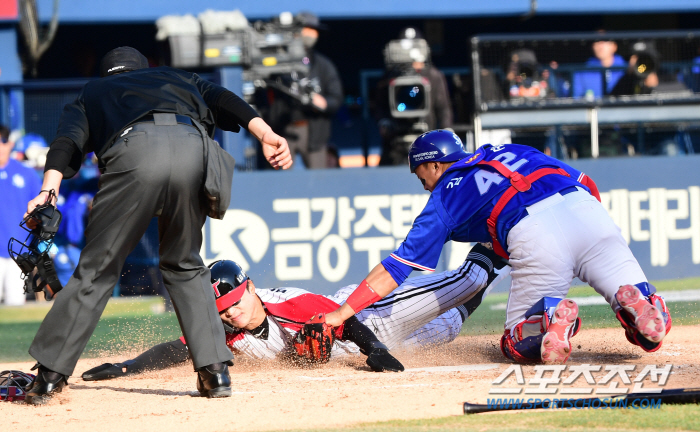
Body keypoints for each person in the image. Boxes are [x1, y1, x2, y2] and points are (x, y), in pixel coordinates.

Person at [21, 46, 293, 405]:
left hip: (135, 152)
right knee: (184, 264)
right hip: (195, 153)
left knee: (98, 269)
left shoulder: (94, 91)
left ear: (107, 74)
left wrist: (48, 189)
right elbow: (226, 99)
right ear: (144, 69)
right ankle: (214, 372)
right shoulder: (178, 77)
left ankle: (50, 377)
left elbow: (66, 142)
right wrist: (266, 134)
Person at [319, 129, 672, 366]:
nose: (422, 183)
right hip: (587, 211)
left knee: (515, 344)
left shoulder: (446, 192)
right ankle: (641, 304)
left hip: (532, 230)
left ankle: (548, 317)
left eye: (419, 173)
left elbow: (396, 267)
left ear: (432, 164)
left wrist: (340, 313)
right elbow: (586, 182)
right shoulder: (510, 150)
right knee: (650, 342)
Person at [80, 245, 508, 380]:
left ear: (249, 289)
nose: (229, 315)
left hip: (359, 316)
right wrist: (126, 367)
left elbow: (345, 320)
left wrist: (372, 348)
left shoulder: (287, 302)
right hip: (346, 343)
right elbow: (177, 350)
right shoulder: (225, 328)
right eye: (222, 311)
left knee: (458, 286)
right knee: (448, 327)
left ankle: (486, 255)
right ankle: (487, 271)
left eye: (233, 303)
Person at [262, 12, 343, 169]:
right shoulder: (278, 62)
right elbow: (264, 92)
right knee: (280, 177)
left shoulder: (323, 65)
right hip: (283, 128)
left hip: (313, 129)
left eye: (314, 30)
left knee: (319, 180)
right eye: (306, 29)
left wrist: (322, 102)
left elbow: (336, 98)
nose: (310, 35)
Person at [375, 27, 453, 166]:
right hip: (395, 141)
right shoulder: (389, 77)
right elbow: (379, 105)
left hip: (426, 139)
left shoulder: (433, 76)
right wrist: (383, 122)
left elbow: (444, 107)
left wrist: (446, 132)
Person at [0, 125, 41, 305]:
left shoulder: (26, 174)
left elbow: (42, 211)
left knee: (15, 305)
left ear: (9, 143)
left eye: (2, 141)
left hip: (18, 251)